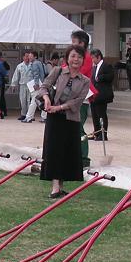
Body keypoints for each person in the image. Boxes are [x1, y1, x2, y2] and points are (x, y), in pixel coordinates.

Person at [37, 45, 90, 198]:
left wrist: (59, 107)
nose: (76, 59)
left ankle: (61, 186)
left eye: (79, 57)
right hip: (54, 119)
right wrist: (47, 99)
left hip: (70, 119)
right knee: (54, 151)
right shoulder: (57, 71)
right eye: (73, 56)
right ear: (67, 58)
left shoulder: (85, 81)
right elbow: (44, 87)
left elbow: (78, 102)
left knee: (66, 152)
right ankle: (55, 187)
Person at [71, 30, 95, 167]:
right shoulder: (75, 56)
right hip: (71, 97)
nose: (72, 44)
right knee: (71, 128)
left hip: (82, 97)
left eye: (74, 42)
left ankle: (84, 158)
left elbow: (75, 73)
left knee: (78, 127)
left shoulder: (86, 58)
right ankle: (74, 156)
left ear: (82, 43)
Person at [89, 49, 114, 140]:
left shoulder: (106, 65)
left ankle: (103, 134)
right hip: (94, 95)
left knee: (101, 114)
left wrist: (100, 77)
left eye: (93, 58)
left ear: (98, 57)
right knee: (94, 114)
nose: (92, 60)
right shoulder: (94, 67)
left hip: (102, 94)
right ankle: (96, 132)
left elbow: (111, 76)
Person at [22, 51, 48, 123]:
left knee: (34, 101)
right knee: (42, 100)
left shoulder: (34, 64)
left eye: (31, 56)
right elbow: (45, 72)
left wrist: (36, 84)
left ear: (35, 57)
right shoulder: (41, 63)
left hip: (37, 84)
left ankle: (29, 117)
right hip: (42, 83)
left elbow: (36, 74)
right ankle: (44, 117)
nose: (29, 57)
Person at [10, 52, 33, 121]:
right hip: (22, 85)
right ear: (23, 57)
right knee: (23, 100)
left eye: (28, 56)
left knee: (30, 100)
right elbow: (16, 76)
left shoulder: (33, 65)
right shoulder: (19, 66)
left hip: (31, 85)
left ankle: (30, 115)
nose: (27, 58)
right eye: (26, 56)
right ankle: (23, 114)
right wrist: (13, 85)